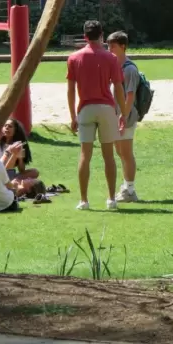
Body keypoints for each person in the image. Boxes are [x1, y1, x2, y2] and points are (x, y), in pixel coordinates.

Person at [67, 20, 128, 211]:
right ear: (101, 35)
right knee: (108, 155)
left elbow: (70, 90)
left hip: (85, 108)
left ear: (85, 36)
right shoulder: (111, 58)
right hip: (106, 107)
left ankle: (84, 200)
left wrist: (72, 115)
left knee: (85, 155)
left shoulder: (74, 57)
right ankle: (111, 199)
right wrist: (123, 113)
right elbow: (118, 88)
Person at [107, 30, 140, 203]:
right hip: (115, 115)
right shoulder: (115, 66)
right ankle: (126, 186)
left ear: (123, 46)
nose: (109, 48)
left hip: (125, 116)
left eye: (113, 45)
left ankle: (131, 190)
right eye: (108, 45)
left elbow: (130, 96)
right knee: (120, 152)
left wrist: (124, 117)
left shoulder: (129, 70)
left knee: (126, 153)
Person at [0, 118, 40, 183]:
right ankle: (12, 182)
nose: (6, 128)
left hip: (9, 174)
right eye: (5, 126)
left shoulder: (18, 146)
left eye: (10, 126)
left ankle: (13, 182)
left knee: (35, 172)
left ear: (16, 130)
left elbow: (22, 170)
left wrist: (20, 158)